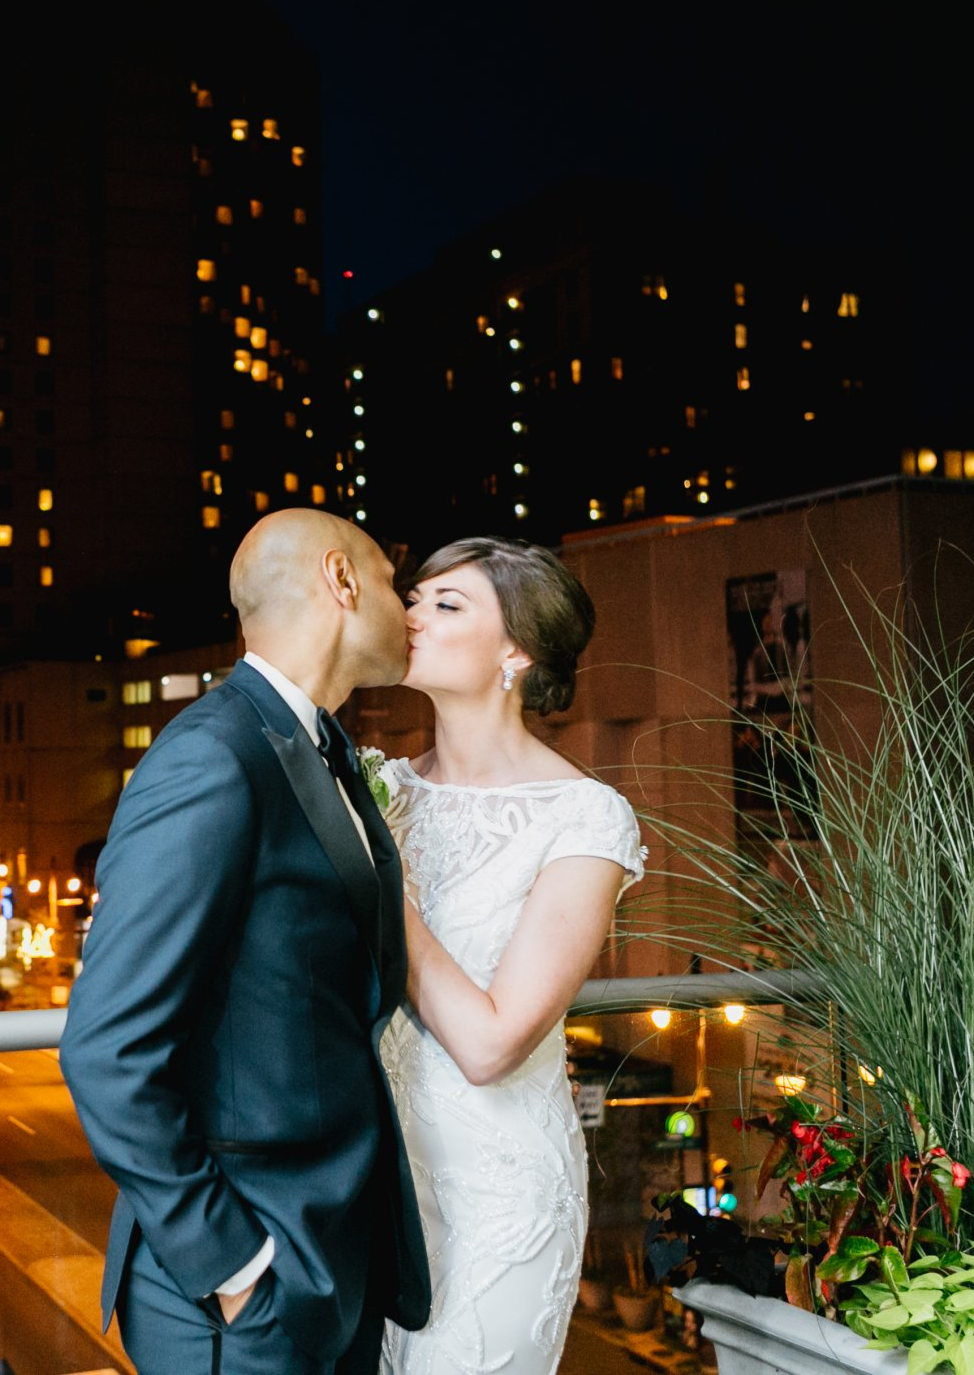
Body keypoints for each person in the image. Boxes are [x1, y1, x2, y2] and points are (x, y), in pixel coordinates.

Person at [61, 510, 431, 1374]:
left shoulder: (322, 746)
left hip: (333, 1258)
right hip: (243, 1289)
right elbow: (107, 1048)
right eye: (389, 580)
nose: (407, 606)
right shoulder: (211, 757)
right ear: (340, 581)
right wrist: (235, 1267)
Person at [375, 538, 644, 1375]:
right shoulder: (378, 786)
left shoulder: (584, 818)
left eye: (446, 604)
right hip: (375, 1184)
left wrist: (386, 883)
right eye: (412, 598)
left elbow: (492, 1044)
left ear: (516, 652)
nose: (411, 613)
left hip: (498, 1200)